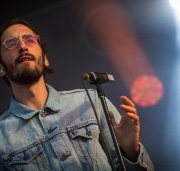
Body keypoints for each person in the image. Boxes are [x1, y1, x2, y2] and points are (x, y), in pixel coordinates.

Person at [0, 18, 154, 171]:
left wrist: (130, 152)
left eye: (29, 39)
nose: (22, 47)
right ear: (1, 68)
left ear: (45, 59)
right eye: (11, 43)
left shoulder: (90, 101)